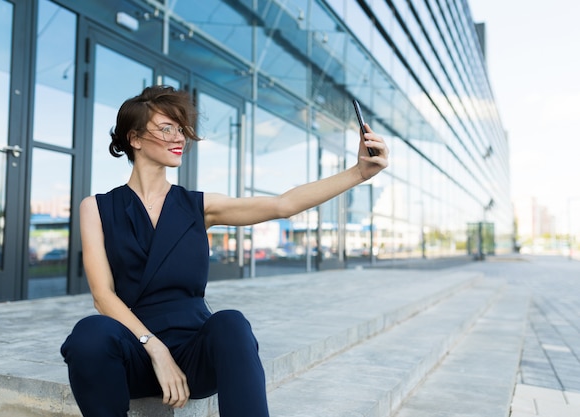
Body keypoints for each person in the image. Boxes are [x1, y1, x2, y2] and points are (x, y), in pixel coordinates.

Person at [60, 85, 389, 417]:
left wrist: (358, 173)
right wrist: (155, 349)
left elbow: (283, 205)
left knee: (231, 323)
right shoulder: (97, 208)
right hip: (135, 351)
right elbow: (103, 296)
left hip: (193, 355)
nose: (180, 138)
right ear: (135, 139)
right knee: (89, 334)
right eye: (167, 128)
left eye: (182, 128)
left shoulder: (199, 206)